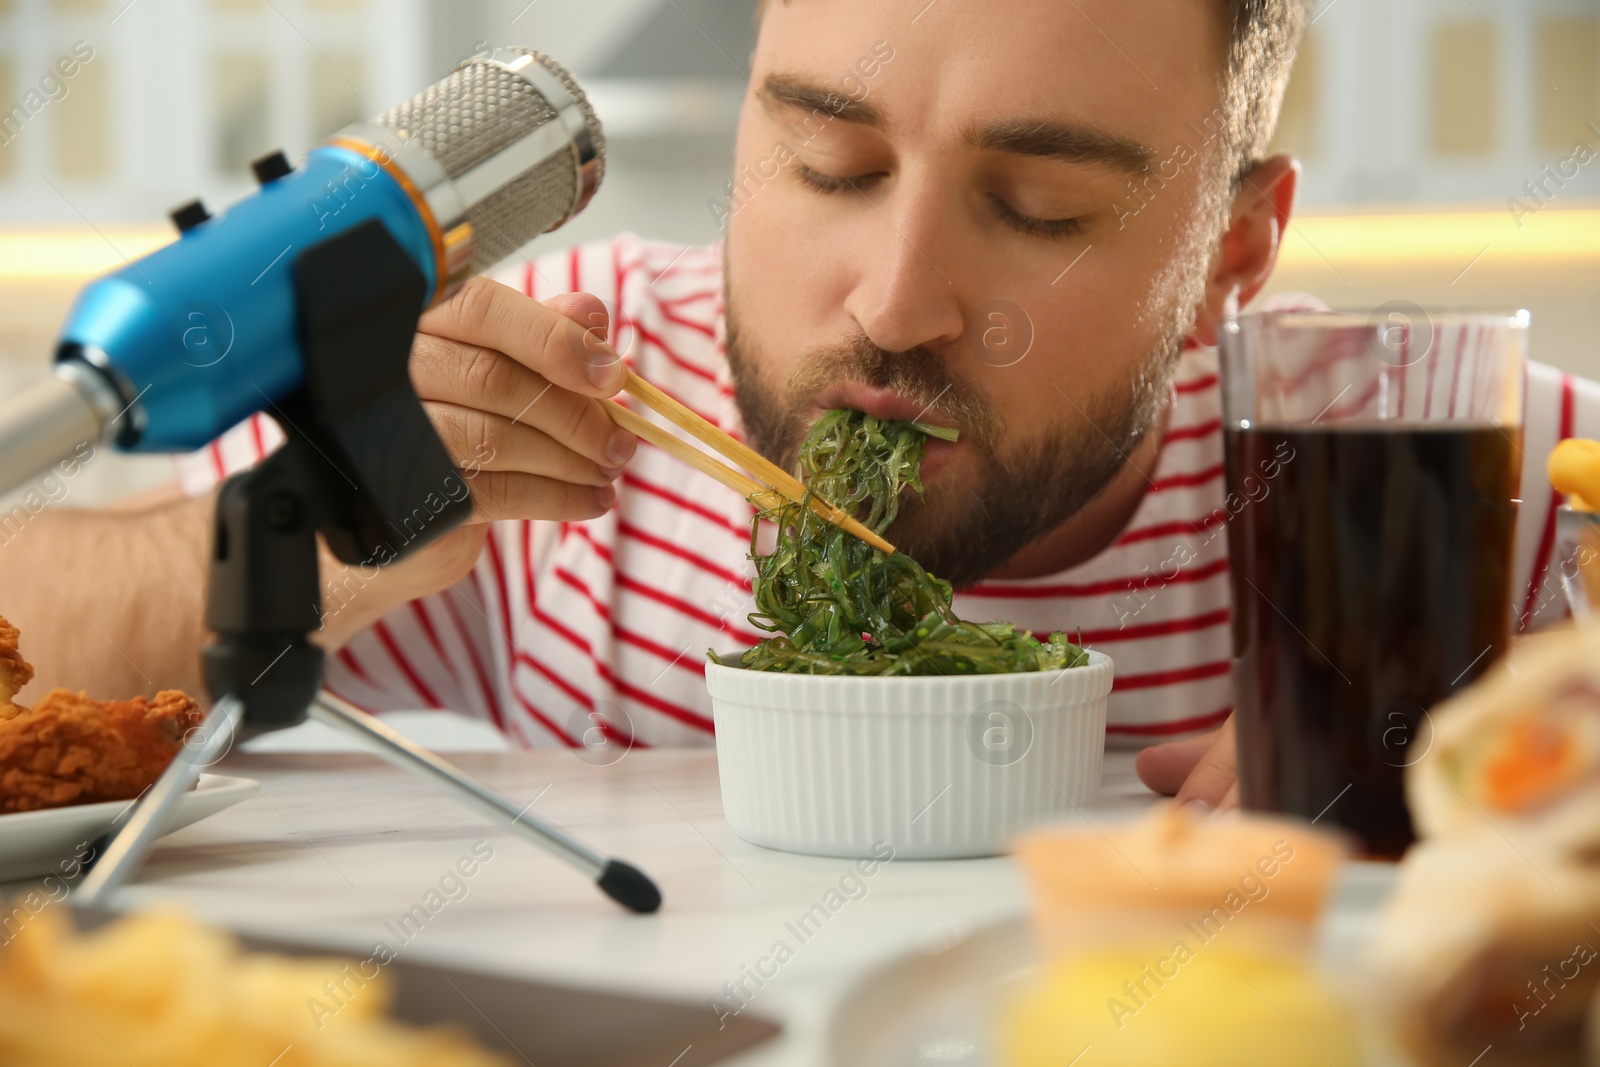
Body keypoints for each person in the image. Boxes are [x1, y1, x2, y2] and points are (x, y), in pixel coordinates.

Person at [1, 0, 1591, 810]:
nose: (895, 303)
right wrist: (308, 543)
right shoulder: (568, 372)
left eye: (1037, 206)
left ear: (1234, 247)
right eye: (828, 165)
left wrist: (1516, 747)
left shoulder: (1393, 460)